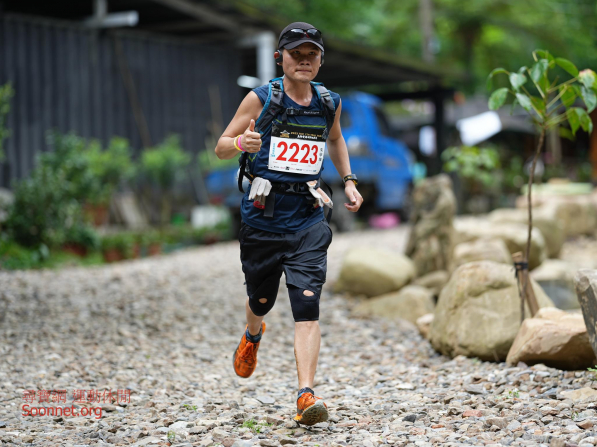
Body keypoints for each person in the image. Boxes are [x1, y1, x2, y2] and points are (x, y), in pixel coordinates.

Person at [215, 21, 363, 426]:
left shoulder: (329, 102)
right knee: (261, 300)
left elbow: (335, 139)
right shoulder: (261, 98)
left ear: (320, 60)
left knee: (307, 305)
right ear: (280, 58)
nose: (304, 60)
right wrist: (241, 143)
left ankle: (305, 395)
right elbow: (221, 147)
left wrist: (349, 180)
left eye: (312, 54)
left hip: (308, 216)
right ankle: (253, 334)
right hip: (263, 217)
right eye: (296, 54)